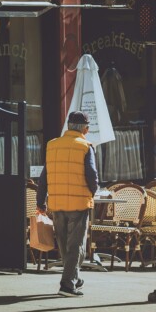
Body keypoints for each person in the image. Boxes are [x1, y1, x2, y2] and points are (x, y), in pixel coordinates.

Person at [36, 109, 98, 297]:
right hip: (79, 203)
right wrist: (93, 191)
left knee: (64, 244)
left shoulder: (52, 145)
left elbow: (44, 176)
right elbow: (92, 175)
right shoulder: (86, 146)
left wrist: (41, 201)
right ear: (85, 130)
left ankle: (74, 277)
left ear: (68, 126)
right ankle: (67, 284)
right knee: (76, 245)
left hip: (56, 202)